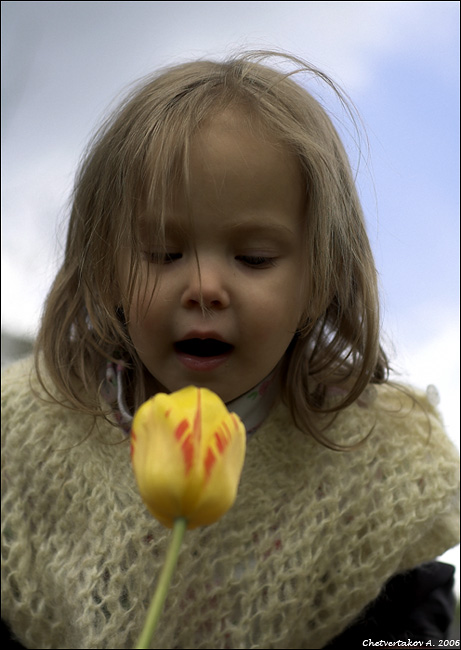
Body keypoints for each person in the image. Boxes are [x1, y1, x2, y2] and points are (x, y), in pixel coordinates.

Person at [1, 51, 459, 650]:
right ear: (105, 268)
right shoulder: (21, 432)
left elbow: (413, 631)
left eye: (254, 259)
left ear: (319, 279)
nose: (204, 289)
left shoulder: (379, 461)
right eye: (163, 253)